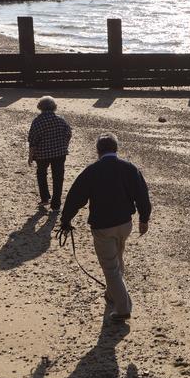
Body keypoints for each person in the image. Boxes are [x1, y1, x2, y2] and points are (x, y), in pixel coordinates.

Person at [60, 132, 151, 321]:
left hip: (103, 226)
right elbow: (142, 195)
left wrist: (66, 219)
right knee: (118, 258)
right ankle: (112, 293)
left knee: (110, 267)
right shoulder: (129, 168)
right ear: (116, 148)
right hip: (125, 223)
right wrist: (144, 218)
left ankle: (123, 307)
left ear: (98, 151)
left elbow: (76, 197)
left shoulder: (92, 171)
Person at [27, 96, 72, 212]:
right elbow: (68, 133)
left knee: (41, 174)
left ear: (40, 107)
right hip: (60, 153)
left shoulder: (37, 121)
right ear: (54, 107)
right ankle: (56, 205)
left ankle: (45, 198)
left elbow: (33, 140)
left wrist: (30, 156)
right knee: (58, 177)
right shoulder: (61, 120)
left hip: (42, 154)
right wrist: (64, 145)